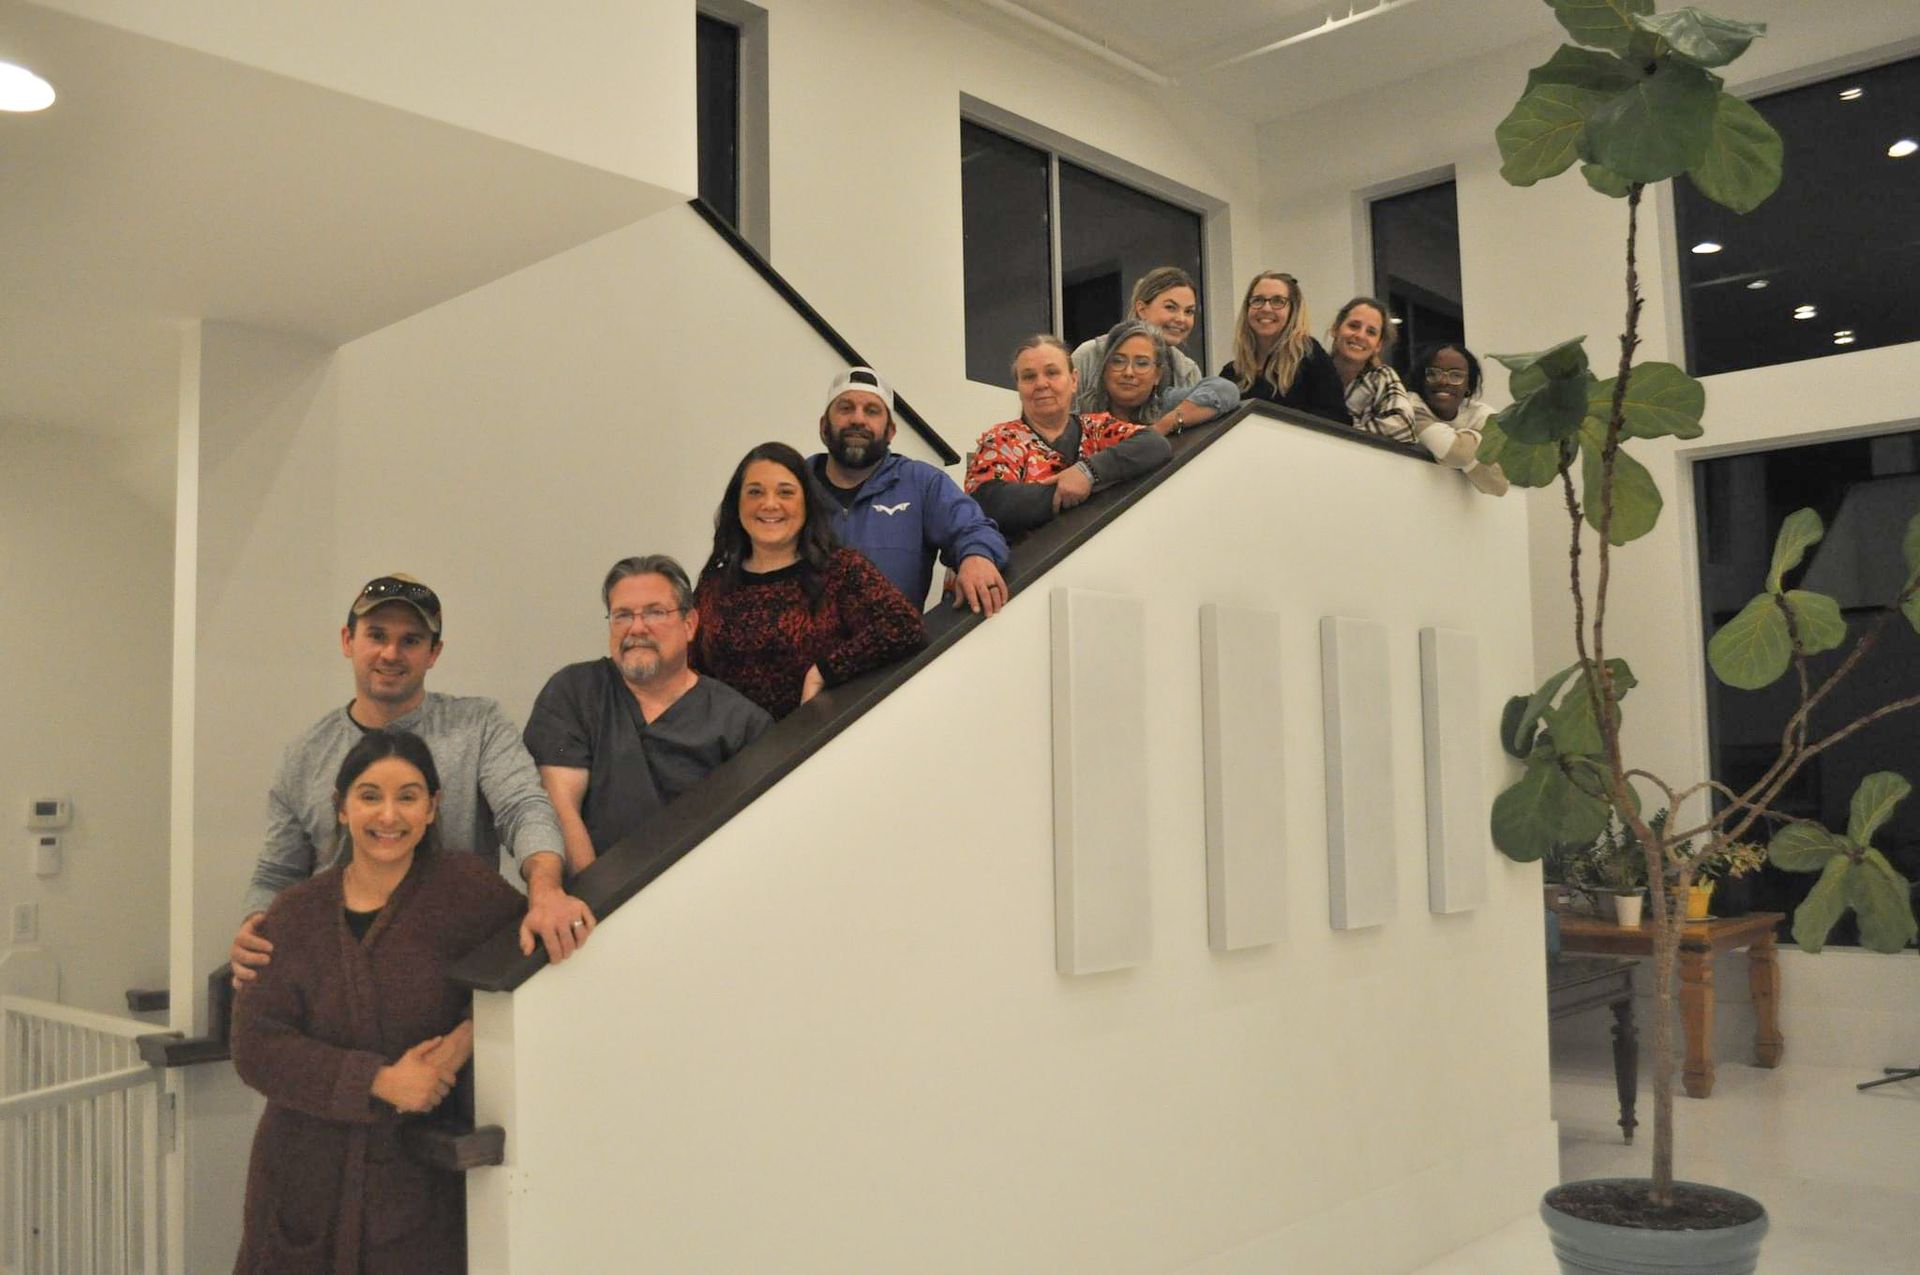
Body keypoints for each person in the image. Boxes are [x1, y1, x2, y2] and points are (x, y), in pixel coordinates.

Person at [231, 730, 525, 1274]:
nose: (388, 815)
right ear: (342, 807)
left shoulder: (471, 892)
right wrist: (377, 1081)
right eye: (370, 796)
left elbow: (529, 975)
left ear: (432, 808)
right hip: (303, 1180)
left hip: (418, 1192)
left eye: (408, 797)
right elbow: (255, 1047)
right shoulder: (293, 914)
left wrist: (465, 1041)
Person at [230, 574, 592, 990]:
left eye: (411, 640)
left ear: (434, 653)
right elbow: (277, 872)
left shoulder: (479, 726)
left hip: (457, 964)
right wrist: (256, 925)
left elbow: (523, 808)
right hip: (338, 973)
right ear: (348, 640)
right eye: (376, 635)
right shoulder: (305, 755)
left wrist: (546, 889)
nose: (390, 653)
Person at [524, 555, 773, 872]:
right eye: (622, 615)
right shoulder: (575, 692)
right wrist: (597, 895)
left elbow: (754, 835)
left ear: (689, 624)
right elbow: (559, 806)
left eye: (655, 612)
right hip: (595, 894)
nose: (637, 628)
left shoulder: (740, 723)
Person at [692, 442, 928, 720]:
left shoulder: (841, 571)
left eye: (785, 492)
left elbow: (903, 626)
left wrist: (825, 671)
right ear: (737, 503)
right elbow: (690, 667)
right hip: (731, 743)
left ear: (806, 502)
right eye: (755, 492)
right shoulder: (714, 584)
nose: (769, 504)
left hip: (815, 741)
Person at [809, 366, 1012, 615]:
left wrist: (977, 555)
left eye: (872, 411)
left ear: (891, 431)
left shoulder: (922, 483)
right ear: (824, 426)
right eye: (845, 408)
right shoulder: (793, 485)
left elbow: (974, 528)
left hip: (896, 640)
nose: (858, 419)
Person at [965, 334, 1174, 537]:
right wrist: (1069, 490)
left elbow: (1154, 444)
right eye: (1029, 377)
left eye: (1052, 373)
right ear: (1018, 387)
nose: (1041, 384)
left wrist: (1087, 472)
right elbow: (988, 503)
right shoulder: (1001, 440)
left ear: (1074, 380)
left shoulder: (1096, 427)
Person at [1069, 266, 1207, 412]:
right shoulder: (1089, 355)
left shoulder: (1188, 372)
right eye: (1170, 307)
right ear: (1141, 310)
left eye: (1189, 311)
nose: (1181, 319)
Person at [1219, 272, 1350, 424]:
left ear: (1292, 311)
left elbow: (1337, 418)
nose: (1266, 308)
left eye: (1278, 301)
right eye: (1258, 300)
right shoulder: (1231, 373)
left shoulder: (1310, 357)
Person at [1075, 319, 1240, 436]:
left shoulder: (1166, 404)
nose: (1128, 372)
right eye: (1118, 361)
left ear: (1157, 375)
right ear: (1105, 368)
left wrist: (1161, 427)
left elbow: (1226, 390)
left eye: (1142, 363)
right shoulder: (1079, 413)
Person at [1411, 343, 1509, 496]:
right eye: (1433, 373)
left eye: (1456, 375)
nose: (1443, 381)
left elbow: (1499, 485)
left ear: (1468, 385)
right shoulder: (1411, 408)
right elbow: (1457, 453)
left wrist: (1459, 449)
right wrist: (1478, 440)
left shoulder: (1481, 414)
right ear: (1422, 380)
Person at [1326, 295, 1418, 445]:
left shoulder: (1381, 377)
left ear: (1378, 346)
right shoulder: (1313, 367)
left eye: (1371, 332)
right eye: (1354, 326)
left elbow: (1404, 426)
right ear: (1335, 329)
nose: (1360, 335)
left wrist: (1343, 430)